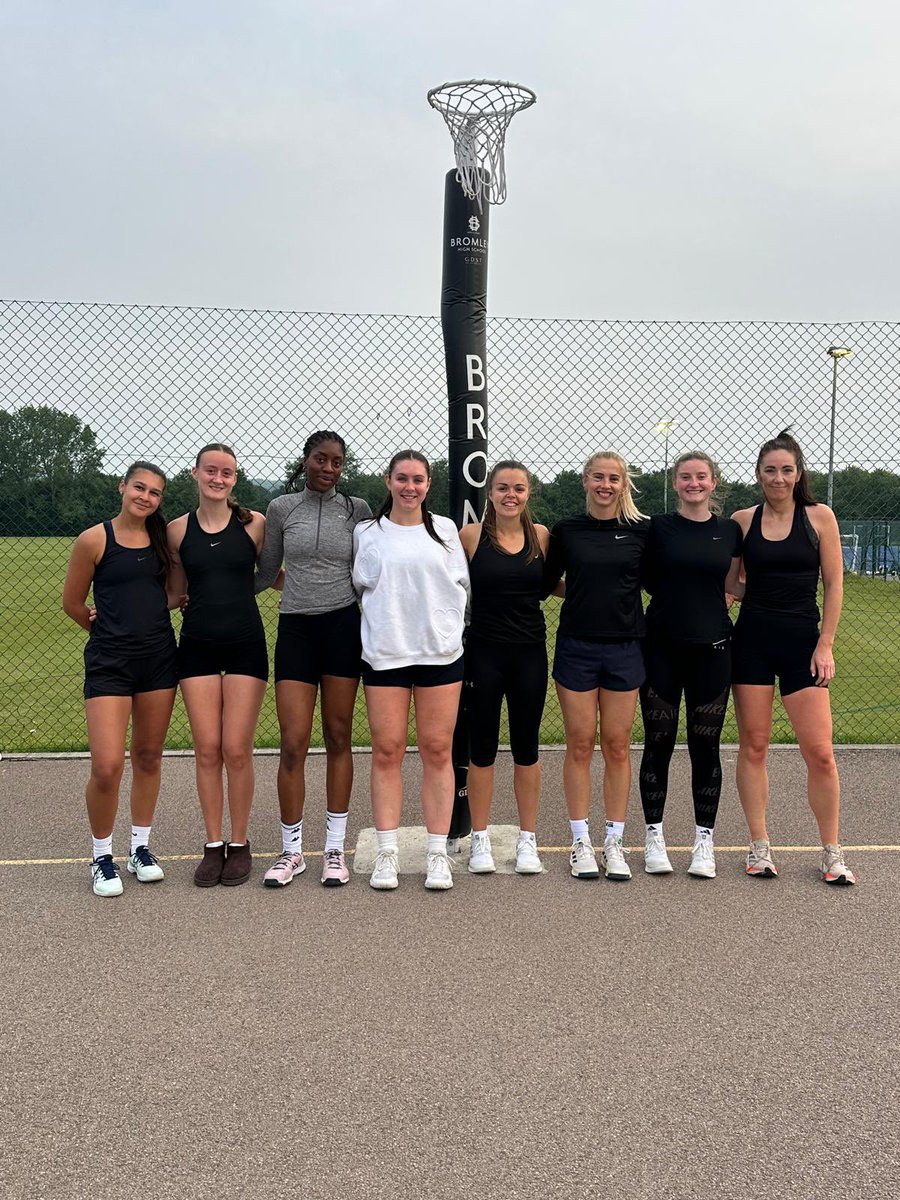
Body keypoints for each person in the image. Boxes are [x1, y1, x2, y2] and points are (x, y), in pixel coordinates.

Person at [731, 429, 855, 885]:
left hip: (803, 644)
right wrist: (731, 594)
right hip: (753, 645)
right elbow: (732, 583)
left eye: (786, 469)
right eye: (770, 470)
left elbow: (835, 583)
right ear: (759, 474)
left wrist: (826, 643)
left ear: (798, 473)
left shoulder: (820, 517)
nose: (778, 478)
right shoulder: (743, 519)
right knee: (755, 745)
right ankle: (759, 847)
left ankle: (831, 852)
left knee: (820, 753)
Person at [254, 431, 372, 887]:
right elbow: (266, 571)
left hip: (343, 628)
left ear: (344, 467)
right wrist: (206, 597)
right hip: (296, 629)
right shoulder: (282, 508)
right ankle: (291, 852)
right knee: (293, 741)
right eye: (320, 459)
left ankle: (335, 849)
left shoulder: (357, 510)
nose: (328, 468)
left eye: (337, 462)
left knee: (339, 735)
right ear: (305, 461)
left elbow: (373, 569)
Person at [352, 450, 470, 891]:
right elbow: (360, 585)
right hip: (386, 652)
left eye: (418, 479)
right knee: (387, 749)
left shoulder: (445, 530)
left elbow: (462, 587)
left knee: (438, 750)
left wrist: (446, 628)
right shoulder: (367, 533)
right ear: (388, 481)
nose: (410, 487)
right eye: (402, 478)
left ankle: (437, 851)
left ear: (428, 484)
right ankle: (387, 851)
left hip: (439, 653)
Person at [62, 461, 178, 897]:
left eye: (154, 492)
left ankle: (140, 849)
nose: (145, 497)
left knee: (148, 756)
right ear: (122, 487)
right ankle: (101, 856)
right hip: (110, 664)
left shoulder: (162, 541)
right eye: (139, 488)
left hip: (158, 662)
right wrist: (105, 628)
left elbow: (166, 594)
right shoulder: (94, 539)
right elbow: (73, 602)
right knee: (107, 766)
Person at [544, 451, 650, 881]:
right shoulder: (567, 530)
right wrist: (584, 593)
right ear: (585, 481)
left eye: (614, 479)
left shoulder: (643, 530)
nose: (606, 485)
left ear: (624, 485)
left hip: (625, 647)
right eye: (598, 478)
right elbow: (547, 581)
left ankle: (615, 841)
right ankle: (580, 842)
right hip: (577, 647)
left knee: (618, 745)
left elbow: (661, 578)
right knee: (580, 743)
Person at [638, 451, 744, 879]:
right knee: (657, 745)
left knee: (706, 748)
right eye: (685, 477)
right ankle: (653, 835)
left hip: (713, 650)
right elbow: (643, 577)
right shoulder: (657, 528)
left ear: (714, 482)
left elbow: (735, 581)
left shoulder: (729, 531)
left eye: (701, 476)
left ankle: (704, 840)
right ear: (676, 481)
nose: (693, 483)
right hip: (661, 648)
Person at [166, 444, 267, 888]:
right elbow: (172, 593)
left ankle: (240, 843)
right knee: (207, 749)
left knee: (236, 749)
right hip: (198, 647)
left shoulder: (256, 525)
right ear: (196, 473)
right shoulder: (175, 531)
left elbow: (276, 573)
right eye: (211, 471)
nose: (218, 479)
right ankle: (212, 844)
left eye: (227, 473)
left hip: (246, 645)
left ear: (235, 479)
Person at [458, 461, 549, 876]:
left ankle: (527, 839)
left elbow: (565, 583)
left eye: (518, 488)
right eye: (502, 488)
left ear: (528, 493)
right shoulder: (471, 536)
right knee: (483, 750)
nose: (510, 495)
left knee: (527, 749)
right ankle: (479, 838)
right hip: (484, 653)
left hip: (529, 654)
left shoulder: (542, 537)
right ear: (490, 493)